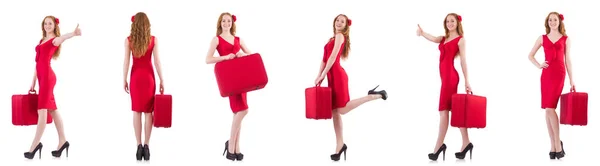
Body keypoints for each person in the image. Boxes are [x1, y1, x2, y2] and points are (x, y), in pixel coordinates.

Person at [314, 14, 388, 161]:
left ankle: (375, 95)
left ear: (346, 26)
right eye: (337, 20)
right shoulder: (331, 39)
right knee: (335, 112)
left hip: (338, 77)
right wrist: (319, 75)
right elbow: (323, 59)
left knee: (342, 109)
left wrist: (323, 74)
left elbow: (333, 57)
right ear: (333, 22)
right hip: (330, 76)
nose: (339, 22)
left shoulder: (340, 37)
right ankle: (339, 145)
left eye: (342, 21)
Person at [416, 13, 473, 161]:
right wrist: (422, 33)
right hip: (445, 79)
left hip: (450, 79)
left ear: (457, 23)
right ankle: (466, 143)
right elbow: (433, 38)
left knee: (443, 111)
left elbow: (463, 61)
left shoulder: (460, 40)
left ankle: (438, 147)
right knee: (455, 111)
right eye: (447, 21)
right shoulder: (443, 38)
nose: (449, 23)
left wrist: (467, 81)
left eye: (452, 21)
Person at [24, 15, 81, 159]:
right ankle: (63, 141)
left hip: (48, 79)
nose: (47, 26)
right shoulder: (41, 40)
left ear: (54, 26)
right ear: (43, 26)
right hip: (43, 79)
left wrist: (73, 34)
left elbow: (63, 38)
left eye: (50, 23)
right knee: (52, 110)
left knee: (42, 110)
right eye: (45, 23)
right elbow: (37, 64)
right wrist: (33, 82)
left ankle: (34, 146)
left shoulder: (54, 39)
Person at [205, 12, 254, 161]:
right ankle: (231, 143)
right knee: (242, 110)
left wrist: (241, 55)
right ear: (220, 23)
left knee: (239, 112)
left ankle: (236, 147)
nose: (226, 23)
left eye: (229, 21)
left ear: (232, 23)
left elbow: (250, 54)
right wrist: (225, 57)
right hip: (230, 79)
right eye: (224, 21)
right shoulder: (216, 40)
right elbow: (208, 59)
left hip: (242, 78)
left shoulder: (238, 39)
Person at [527, 12, 573, 160]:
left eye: (555, 19)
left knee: (550, 108)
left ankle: (558, 145)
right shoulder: (542, 38)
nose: (553, 22)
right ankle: (553, 144)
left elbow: (568, 60)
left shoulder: (566, 39)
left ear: (559, 22)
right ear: (547, 22)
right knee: (547, 109)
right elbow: (530, 55)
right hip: (546, 75)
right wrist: (539, 65)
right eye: (550, 20)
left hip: (559, 74)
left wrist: (572, 80)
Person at [123, 12, 165, 161]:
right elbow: (157, 62)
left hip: (135, 78)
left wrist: (124, 79)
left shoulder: (129, 41)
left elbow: (126, 62)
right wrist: (161, 80)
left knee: (136, 112)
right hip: (148, 78)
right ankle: (147, 146)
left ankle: (138, 146)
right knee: (148, 113)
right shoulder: (153, 40)